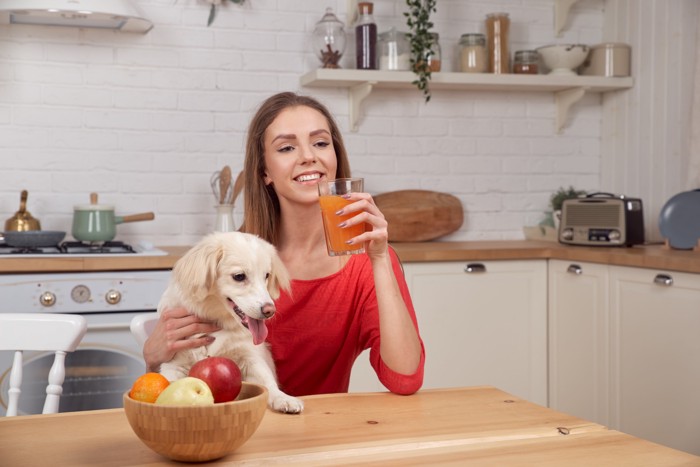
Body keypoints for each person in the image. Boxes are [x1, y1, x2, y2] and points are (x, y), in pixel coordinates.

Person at [143, 92, 424, 396]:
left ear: (335, 158)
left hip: (319, 432)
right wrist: (152, 356)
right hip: (233, 428)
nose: (308, 156)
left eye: (320, 143)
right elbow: (185, 376)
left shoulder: (365, 260)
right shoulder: (236, 258)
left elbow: (404, 379)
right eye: (287, 147)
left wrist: (380, 259)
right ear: (265, 171)